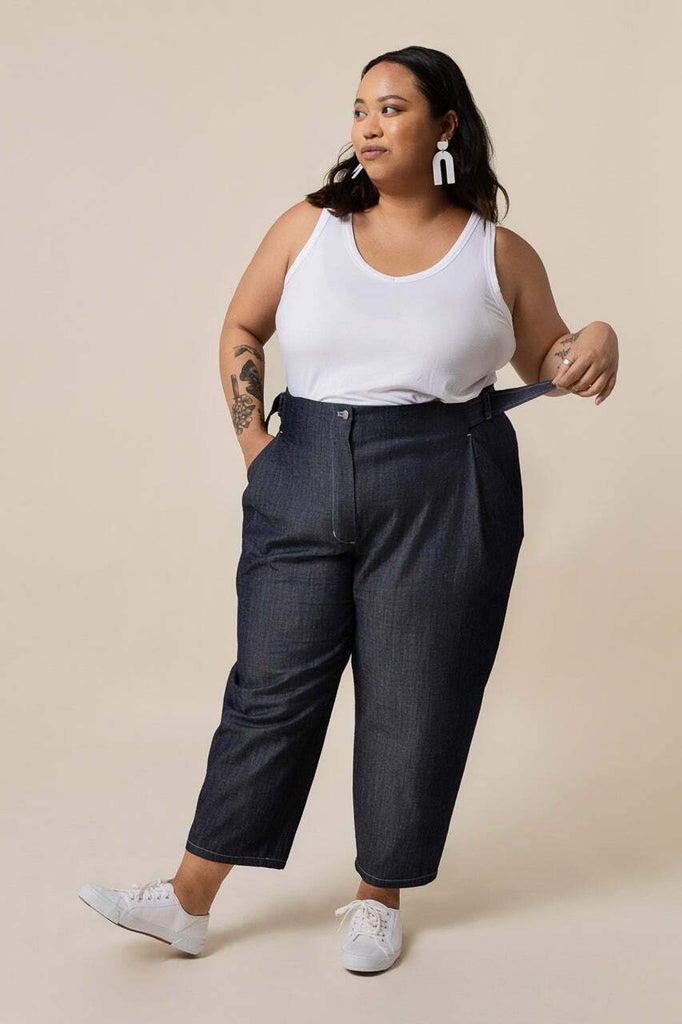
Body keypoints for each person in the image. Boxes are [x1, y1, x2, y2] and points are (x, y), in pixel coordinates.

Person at [78, 45, 619, 970]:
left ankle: (379, 898)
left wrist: (597, 338)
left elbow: (551, 360)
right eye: (360, 109)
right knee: (270, 689)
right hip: (304, 466)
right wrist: (259, 452)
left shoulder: (497, 252)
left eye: (392, 108)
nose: (369, 126)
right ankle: (188, 899)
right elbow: (243, 326)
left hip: (446, 480)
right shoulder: (309, 229)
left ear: (445, 126)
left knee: (417, 693)